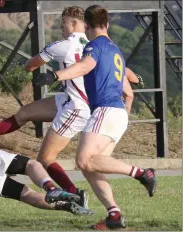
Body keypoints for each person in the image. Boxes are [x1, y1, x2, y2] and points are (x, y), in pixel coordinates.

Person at [0, 6, 143, 209]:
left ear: (74, 23)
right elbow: (125, 71)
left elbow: (30, 65)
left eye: (63, 23)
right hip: (70, 99)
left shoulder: (64, 45)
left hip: (76, 106)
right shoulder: (97, 44)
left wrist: (41, 63)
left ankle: (75, 195)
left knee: (45, 158)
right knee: (25, 112)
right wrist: (136, 79)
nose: (61, 28)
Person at [32, 5, 157, 230]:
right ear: (107, 24)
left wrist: (54, 75)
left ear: (86, 26)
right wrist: (122, 117)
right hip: (116, 113)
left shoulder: (94, 45)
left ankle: (141, 173)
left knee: (83, 160)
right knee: (91, 168)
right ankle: (114, 215)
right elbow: (129, 91)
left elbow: (83, 66)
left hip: (105, 110)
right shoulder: (115, 50)